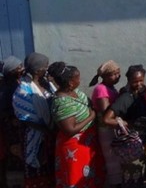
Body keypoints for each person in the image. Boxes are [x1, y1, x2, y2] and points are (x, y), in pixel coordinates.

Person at [51, 65, 101, 188]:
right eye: (77, 78)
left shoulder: (74, 91)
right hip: (74, 148)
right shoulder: (63, 102)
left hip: (86, 143)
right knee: (76, 178)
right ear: (70, 82)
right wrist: (91, 117)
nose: (80, 80)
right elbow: (70, 130)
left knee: (88, 177)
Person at [14, 53, 53, 188]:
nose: (47, 68)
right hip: (34, 134)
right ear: (37, 70)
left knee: (49, 168)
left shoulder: (46, 84)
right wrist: (46, 130)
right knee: (36, 168)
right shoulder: (23, 90)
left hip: (49, 133)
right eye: (45, 66)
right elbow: (25, 117)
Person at [89, 61, 123, 187]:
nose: (118, 76)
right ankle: (115, 183)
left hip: (111, 126)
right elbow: (105, 111)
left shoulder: (111, 87)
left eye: (118, 73)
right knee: (111, 158)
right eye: (114, 74)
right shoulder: (101, 89)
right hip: (106, 128)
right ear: (105, 76)